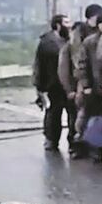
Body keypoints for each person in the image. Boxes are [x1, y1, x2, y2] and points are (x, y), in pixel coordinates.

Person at [59, 4, 102, 158]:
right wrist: (69, 88)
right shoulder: (77, 38)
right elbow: (66, 66)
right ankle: (76, 145)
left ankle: (93, 147)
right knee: (80, 115)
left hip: (97, 82)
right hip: (80, 82)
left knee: (96, 116)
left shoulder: (101, 35)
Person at [76, 10, 102, 164]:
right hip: (95, 88)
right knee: (96, 119)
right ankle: (96, 151)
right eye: (101, 23)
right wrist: (86, 85)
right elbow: (83, 64)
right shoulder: (90, 42)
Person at [32, 14, 71, 152]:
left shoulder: (69, 40)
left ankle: (73, 143)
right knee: (54, 114)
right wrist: (39, 86)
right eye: (66, 22)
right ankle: (51, 140)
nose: (69, 25)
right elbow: (39, 65)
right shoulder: (48, 43)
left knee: (72, 113)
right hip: (53, 84)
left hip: (68, 83)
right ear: (58, 25)